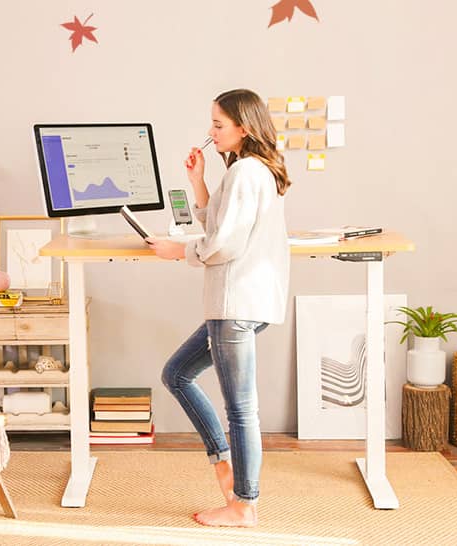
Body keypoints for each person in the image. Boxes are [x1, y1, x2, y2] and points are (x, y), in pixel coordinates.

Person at [147, 89, 291, 527]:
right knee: (177, 374)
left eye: (217, 125)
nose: (210, 132)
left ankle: (243, 505)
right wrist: (198, 182)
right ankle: (224, 466)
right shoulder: (248, 170)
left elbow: (223, 244)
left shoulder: (247, 171)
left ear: (243, 128)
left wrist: (178, 252)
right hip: (244, 302)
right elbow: (221, 225)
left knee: (241, 408)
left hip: (235, 304)